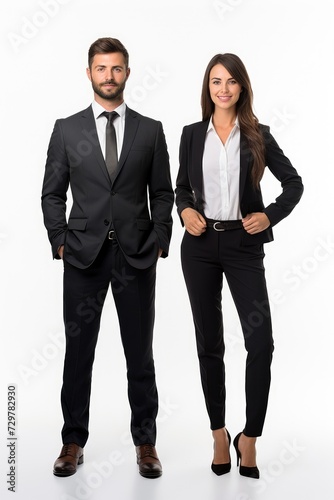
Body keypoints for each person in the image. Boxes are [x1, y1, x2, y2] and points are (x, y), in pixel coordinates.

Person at [41, 37, 173, 479]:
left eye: (116, 69)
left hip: (137, 256)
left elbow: (162, 193)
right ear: (89, 73)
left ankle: (146, 442)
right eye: (101, 68)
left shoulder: (150, 130)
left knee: (140, 353)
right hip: (82, 257)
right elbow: (52, 194)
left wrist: (159, 240)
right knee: (79, 352)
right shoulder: (67, 129)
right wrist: (60, 241)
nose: (109, 76)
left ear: (127, 74)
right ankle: (72, 440)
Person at [175, 53, 303, 479]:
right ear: (207, 87)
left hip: (244, 244)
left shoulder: (258, 135)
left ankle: (249, 437)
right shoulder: (192, 135)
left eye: (231, 81)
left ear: (242, 87)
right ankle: (218, 432)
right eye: (216, 81)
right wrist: (184, 210)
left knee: (260, 342)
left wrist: (269, 214)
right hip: (199, 246)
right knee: (209, 343)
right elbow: (180, 188)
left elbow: (294, 182)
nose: (223, 88)